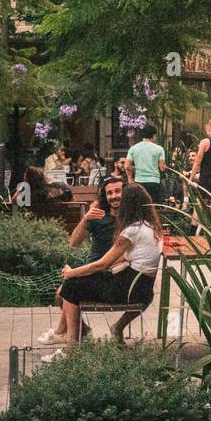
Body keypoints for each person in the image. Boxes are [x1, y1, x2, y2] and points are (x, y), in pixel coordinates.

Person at [43, 182, 164, 357]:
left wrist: (71, 273)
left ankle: (71, 350)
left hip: (129, 289)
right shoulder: (149, 226)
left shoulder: (132, 230)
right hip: (142, 289)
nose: (118, 200)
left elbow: (102, 264)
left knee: (70, 285)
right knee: (72, 284)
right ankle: (70, 338)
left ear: (128, 204)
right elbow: (119, 259)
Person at [36, 175, 126, 345]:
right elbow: (74, 242)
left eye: (118, 191)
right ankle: (74, 332)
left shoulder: (129, 220)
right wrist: (85, 219)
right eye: (110, 193)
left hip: (108, 272)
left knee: (65, 291)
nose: (114, 196)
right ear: (105, 196)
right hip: (92, 268)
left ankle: (68, 337)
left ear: (125, 192)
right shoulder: (99, 215)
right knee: (60, 293)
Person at [127, 125, 166, 203]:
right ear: (153, 136)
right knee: (153, 207)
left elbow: (127, 166)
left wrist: (130, 178)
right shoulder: (159, 149)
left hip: (139, 182)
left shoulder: (133, 148)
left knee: (140, 206)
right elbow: (162, 168)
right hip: (154, 182)